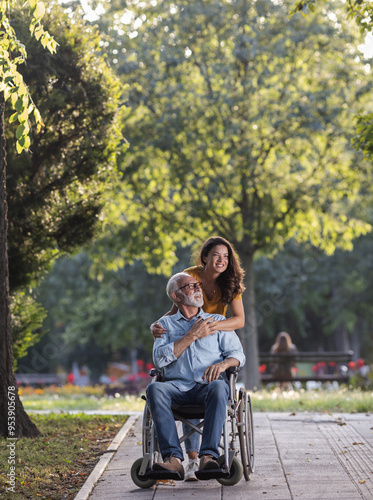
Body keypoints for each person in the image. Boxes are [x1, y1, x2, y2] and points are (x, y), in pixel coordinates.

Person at [150, 236, 246, 479]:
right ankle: (174, 459)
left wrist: (224, 363)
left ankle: (207, 457)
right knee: (154, 390)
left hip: (206, 383)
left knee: (218, 386)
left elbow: (238, 354)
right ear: (177, 296)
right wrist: (189, 335)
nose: (197, 288)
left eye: (197, 286)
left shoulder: (218, 320)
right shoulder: (165, 325)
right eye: (191, 287)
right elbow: (159, 360)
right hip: (176, 387)